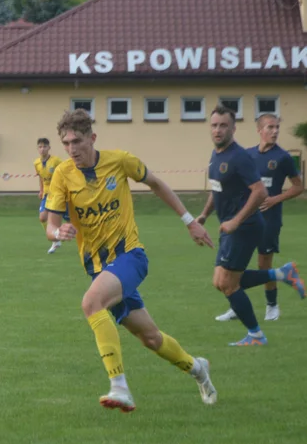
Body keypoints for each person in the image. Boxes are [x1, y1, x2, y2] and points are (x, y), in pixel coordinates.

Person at [45, 108, 218, 413]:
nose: (72, 149)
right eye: (66, 143)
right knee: (151, 338)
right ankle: (198, 369)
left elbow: (157, 184)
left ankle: (119, 387)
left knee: (91, 304)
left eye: (78, 141)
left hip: (131, 257)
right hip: (99, 269)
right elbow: (50, 225)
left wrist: (190, 220)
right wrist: (59, 232)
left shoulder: (120, 160)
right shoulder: (62, 174)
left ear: (92, 138)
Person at [194, 106, 306, 345]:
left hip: (245, 226)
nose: (218, 130)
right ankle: (282, 274)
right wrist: (203, 215)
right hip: (230, 227)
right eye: (214, 125)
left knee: (227, 284)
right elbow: (217, 189)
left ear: (233, 129)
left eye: (223, 125)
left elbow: (260, 191)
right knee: (220, 282)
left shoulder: (239, 156)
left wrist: (236, 220)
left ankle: (256, 334)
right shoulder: (217, 155)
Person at [33, 137, 66, 254]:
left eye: (45, 147)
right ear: (37, 149)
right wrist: (41, 190)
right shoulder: (36, 163)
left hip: (58, 192)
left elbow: (65, 174)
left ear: (49, 148)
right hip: (47, 193)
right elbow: (41, 178)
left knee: (71, 218)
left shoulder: (56, 161)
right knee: (42, 217)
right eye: (40, 147)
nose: (42, 149)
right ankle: (55, 240)